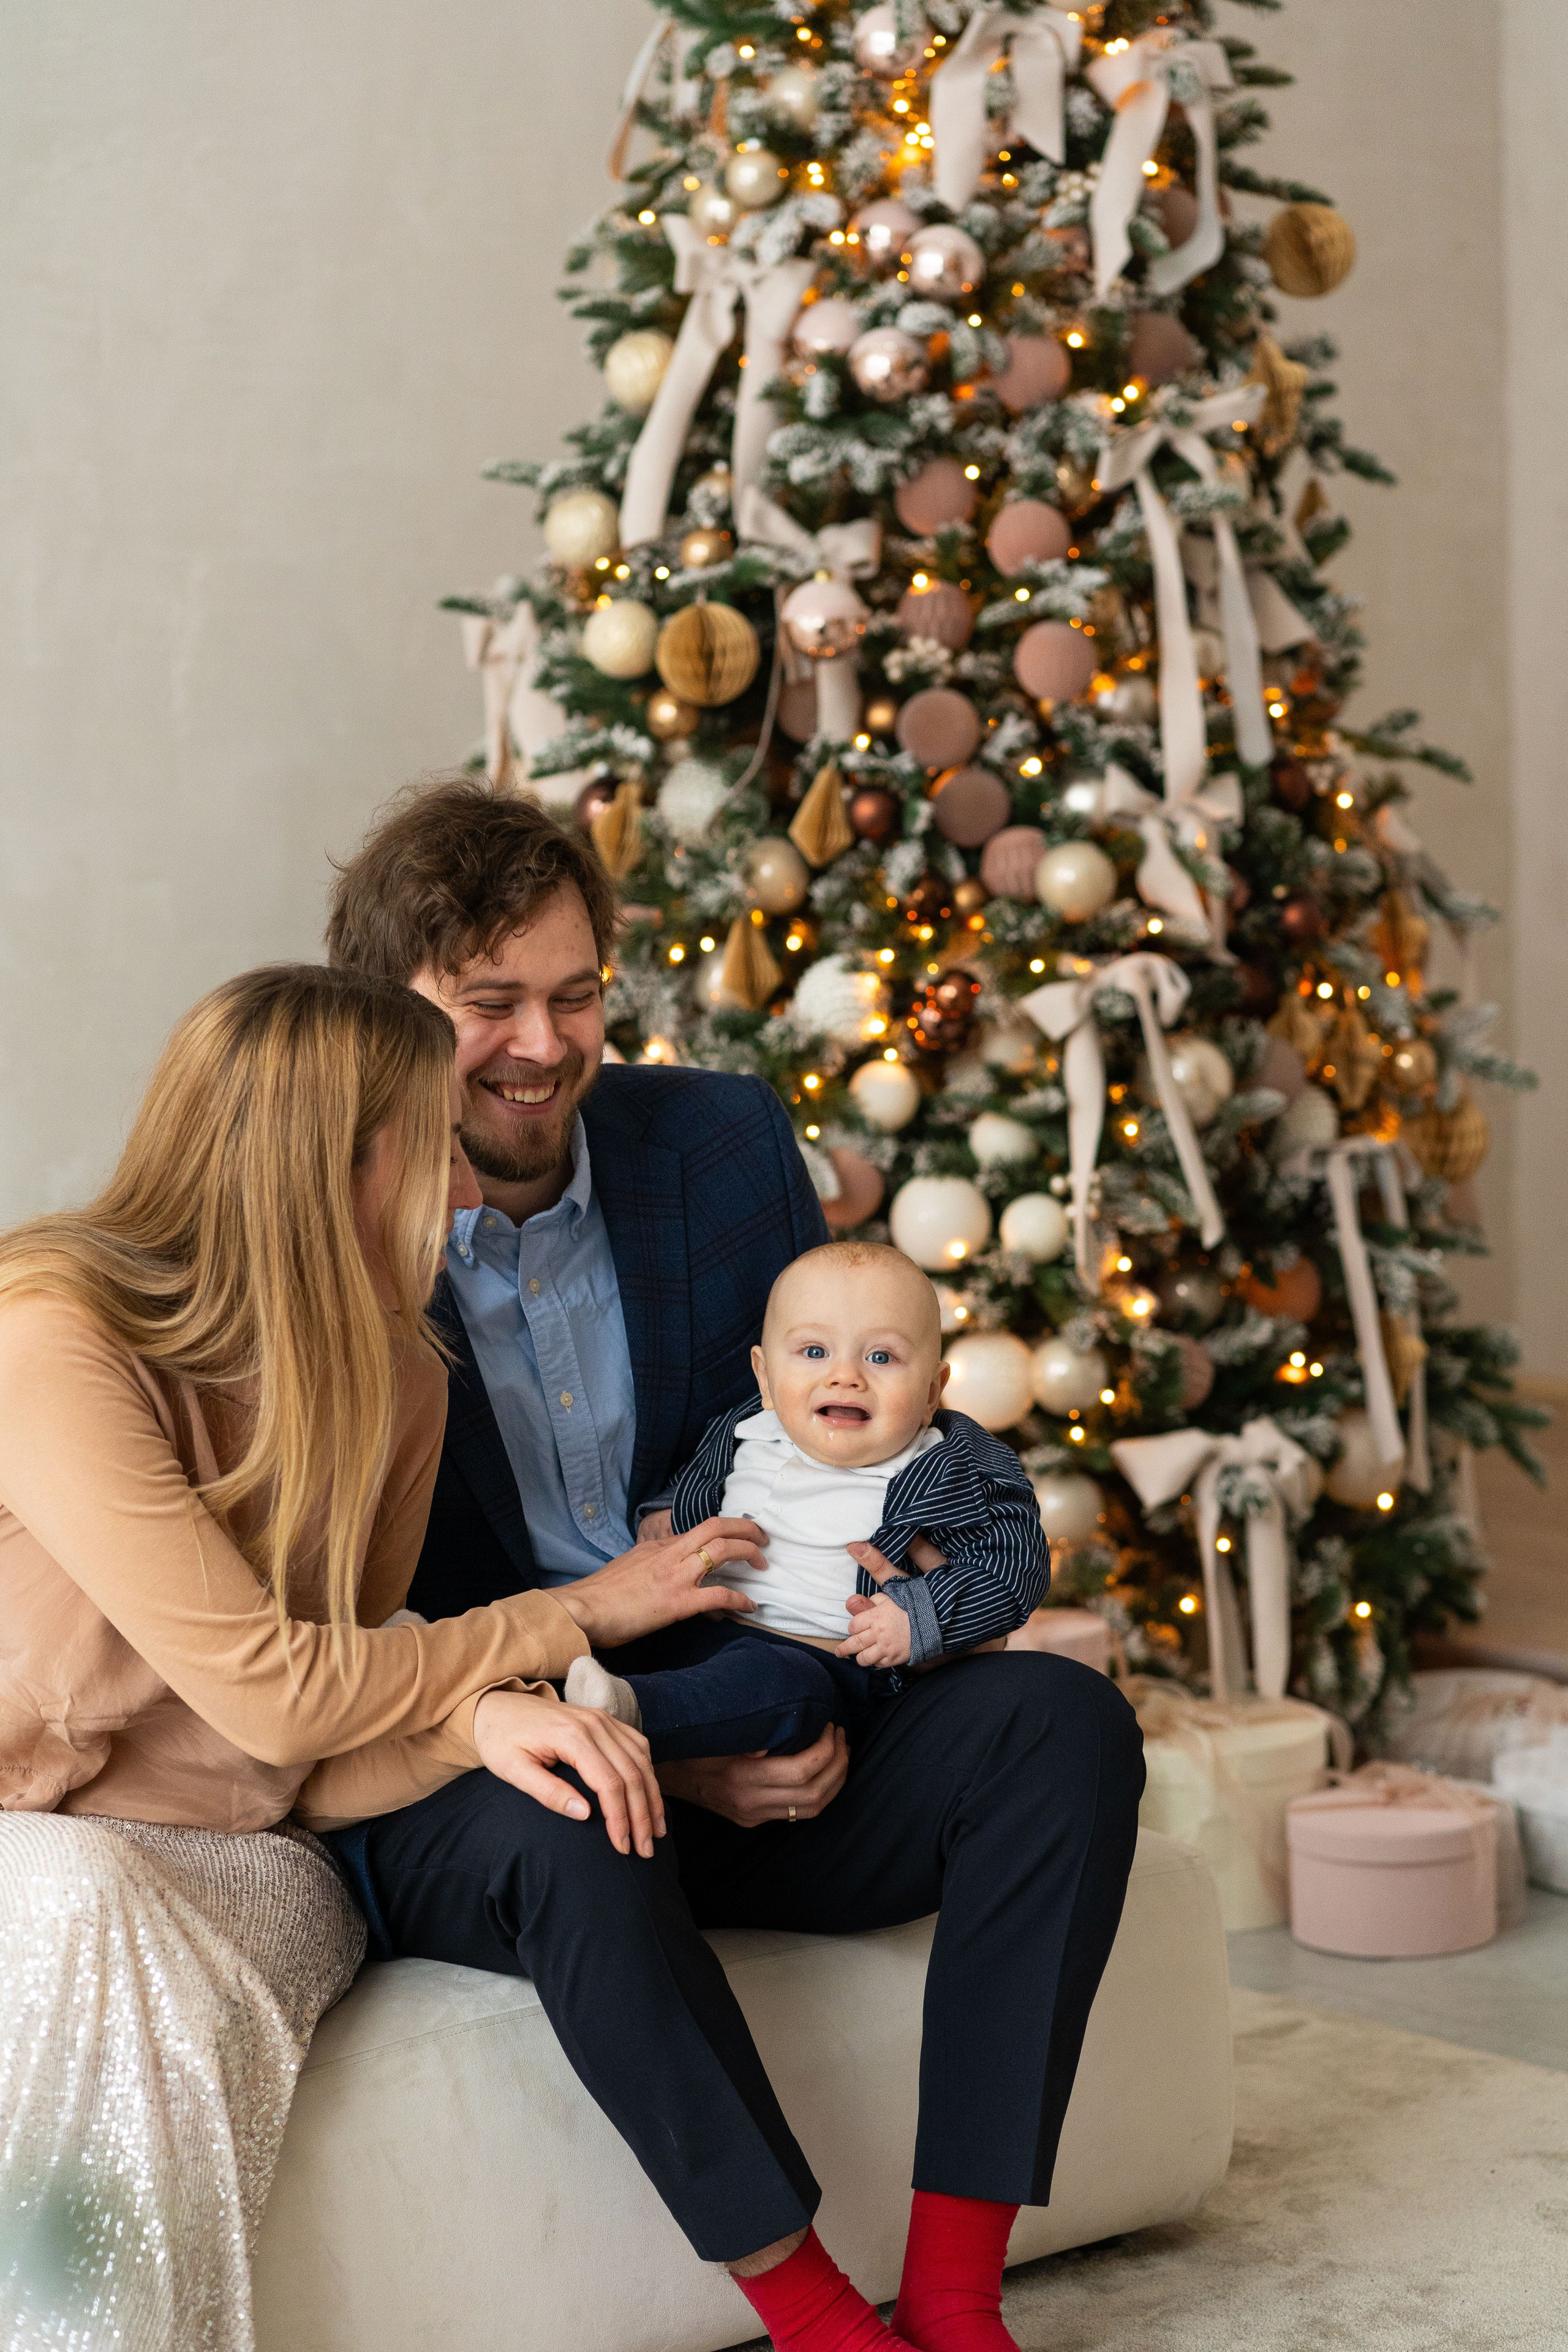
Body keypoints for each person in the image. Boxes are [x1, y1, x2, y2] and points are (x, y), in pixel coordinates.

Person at [326, 780, 1145, 2352]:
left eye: (574, 994)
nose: (541, 1043)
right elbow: (359, 1620)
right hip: (489, 1753)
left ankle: (960, 2297)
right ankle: (824, 2319)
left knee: (1061, 1724)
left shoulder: (713, 1139)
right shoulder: (333, 1219)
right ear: (385, 1010)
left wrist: (899, 1606)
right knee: (570, 1806)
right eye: (487, 1002)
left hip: (766, 1700)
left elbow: (835, 1425)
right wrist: (638, 1740)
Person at [0, 962, 745, 2352]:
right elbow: (275, 1683)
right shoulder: (54, 1337)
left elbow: (307, 1739)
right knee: (81, 1892)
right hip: (37, 1831)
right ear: (328, 1164)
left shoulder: (401, 1375)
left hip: (251, 1842)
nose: (471, 1194)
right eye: (442, 1149)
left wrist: (474, 1727)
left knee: (108, 1900)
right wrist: (576, 1618)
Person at [568, 1239, 1050, 1762]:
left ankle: (632, 1711)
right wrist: (666, 1513)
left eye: (881, 1357)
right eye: (815, 1352)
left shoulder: (950, 1465)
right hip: (699, 1627)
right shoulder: (747, 1428)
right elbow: (700, 1483)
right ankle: (592, 1699)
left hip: (825, 1666)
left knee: (785, 1688)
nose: (845, 1376)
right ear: (766, 1377)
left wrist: (925, 1618)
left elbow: (1016, 1562)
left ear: (932, 1392)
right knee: (647, 1646)